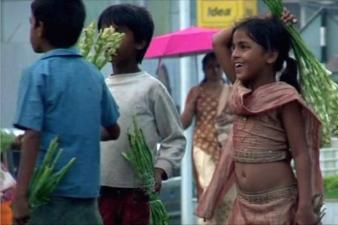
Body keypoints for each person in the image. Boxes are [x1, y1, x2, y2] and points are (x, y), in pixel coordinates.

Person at [196, 11, 324, 225]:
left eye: (244, 47)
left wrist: (304, 207)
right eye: (234, 47)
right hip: (244, 204)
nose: (235, 54)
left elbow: (302, 154)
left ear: (271, 56)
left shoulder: (283, 97)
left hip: (280, 204)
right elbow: (218, 41)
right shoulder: (239, 90)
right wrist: (266, 18)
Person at [12, 1, 120, 225]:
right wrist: (81, 130)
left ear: (40, 27)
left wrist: (20, 196)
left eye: (31, 23)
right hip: (87, 200)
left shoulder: (38, 73)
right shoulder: (93, 74)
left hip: (47, 197)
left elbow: (32, 135)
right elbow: (113, 130)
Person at [97, 4, 186, 225]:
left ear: (140, 42)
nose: (109, 38)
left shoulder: (151, 88)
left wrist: (160, 170)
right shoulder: (98, 86)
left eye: (117, 32)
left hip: (138, 194)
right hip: (99, 192)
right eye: (103, 32)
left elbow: (175, 138)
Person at [181, 52, 235, 225]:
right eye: (210, 66)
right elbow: (184, 123)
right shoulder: (196, 92)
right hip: (203, 147)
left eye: (218, 66)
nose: (215, 70)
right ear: (204, 69)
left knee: (229, 195)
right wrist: (190, 104)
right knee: (208, 191)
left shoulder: (232, 91)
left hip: (228, 148)